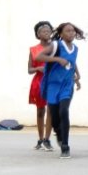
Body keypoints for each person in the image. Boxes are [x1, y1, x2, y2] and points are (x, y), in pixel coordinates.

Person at [35, 22, 83, 159]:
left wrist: (77, 77)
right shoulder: (56, 45)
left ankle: (65, 146)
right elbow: (38, 57)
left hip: (67, 85)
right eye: (68, 31)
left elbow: (71, 62)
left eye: (73, 31)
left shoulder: (76, 48)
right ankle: (59, 134)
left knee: (64, 111)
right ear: (61, 34)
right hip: (53, 85)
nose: (71, 33)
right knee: (55, 117)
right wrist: (57, 59)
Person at [28, 21, 54, 151]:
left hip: (52, 82)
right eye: (43, 31)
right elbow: (29, 70)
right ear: (38, 34)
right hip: (38, 82)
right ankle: (40, 138)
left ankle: (47, 139)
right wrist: (38, 68)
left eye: (48, 31)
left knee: (50, 110)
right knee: (40, 111)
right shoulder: (33, 50)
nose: (46, 33)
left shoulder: (55, 47)